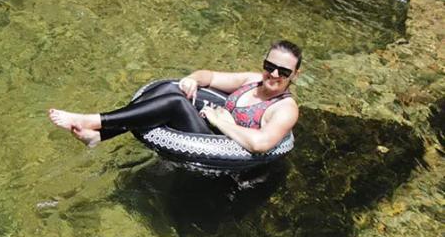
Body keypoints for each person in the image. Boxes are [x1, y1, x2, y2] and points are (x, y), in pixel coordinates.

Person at [48, 40, 302, 153]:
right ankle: (99, 136)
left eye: (283, 71)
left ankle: (92, 120)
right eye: (269, 66)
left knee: (175, 103)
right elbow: (210, 76)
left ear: (295, 75)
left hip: (223, 148)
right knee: (168, 89)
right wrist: (193, 78)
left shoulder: (285, 108)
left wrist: (220, 121)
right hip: (209, 128)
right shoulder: (251, 81)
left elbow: (260, 144)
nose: (273, 74)